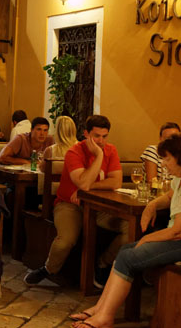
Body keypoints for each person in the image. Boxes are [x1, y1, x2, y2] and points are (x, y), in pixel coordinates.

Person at [69, 133, 181, 328]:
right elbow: (169, 196)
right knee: (126, 249)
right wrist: (152, 204)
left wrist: (147, 238)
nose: (164, 163)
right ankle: (100, 309)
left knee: (129, 255)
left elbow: (179, 232)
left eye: (167, 158)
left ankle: (105, 318)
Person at [24, 115, 127, 288]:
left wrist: (86, 188)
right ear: (86, 134)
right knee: (66, 240)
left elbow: (116, 182)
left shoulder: (112, 150)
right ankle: (48, 269)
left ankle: (103, 263)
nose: (101, 141)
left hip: (99, 206)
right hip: (69, 204)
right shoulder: (75, 152)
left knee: (131, 229)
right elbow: (83, 182)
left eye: (104, 136)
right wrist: (99, 156)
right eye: (96, 136)